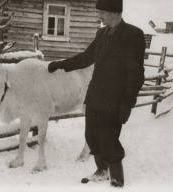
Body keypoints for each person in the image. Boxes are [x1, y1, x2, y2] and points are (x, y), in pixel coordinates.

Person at [47, 0, 145, 188]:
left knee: (109, 139)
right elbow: (86, 57)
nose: (99, 17)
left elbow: (136, 75)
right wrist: (61, 64)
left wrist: (127, 104)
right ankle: (101, 170)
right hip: (95, 96)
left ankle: (116, 178)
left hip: (115, 99)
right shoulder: (102, 33)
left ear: (115, 12)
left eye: (102, 13)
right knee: (92, 136)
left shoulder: (133, 35)